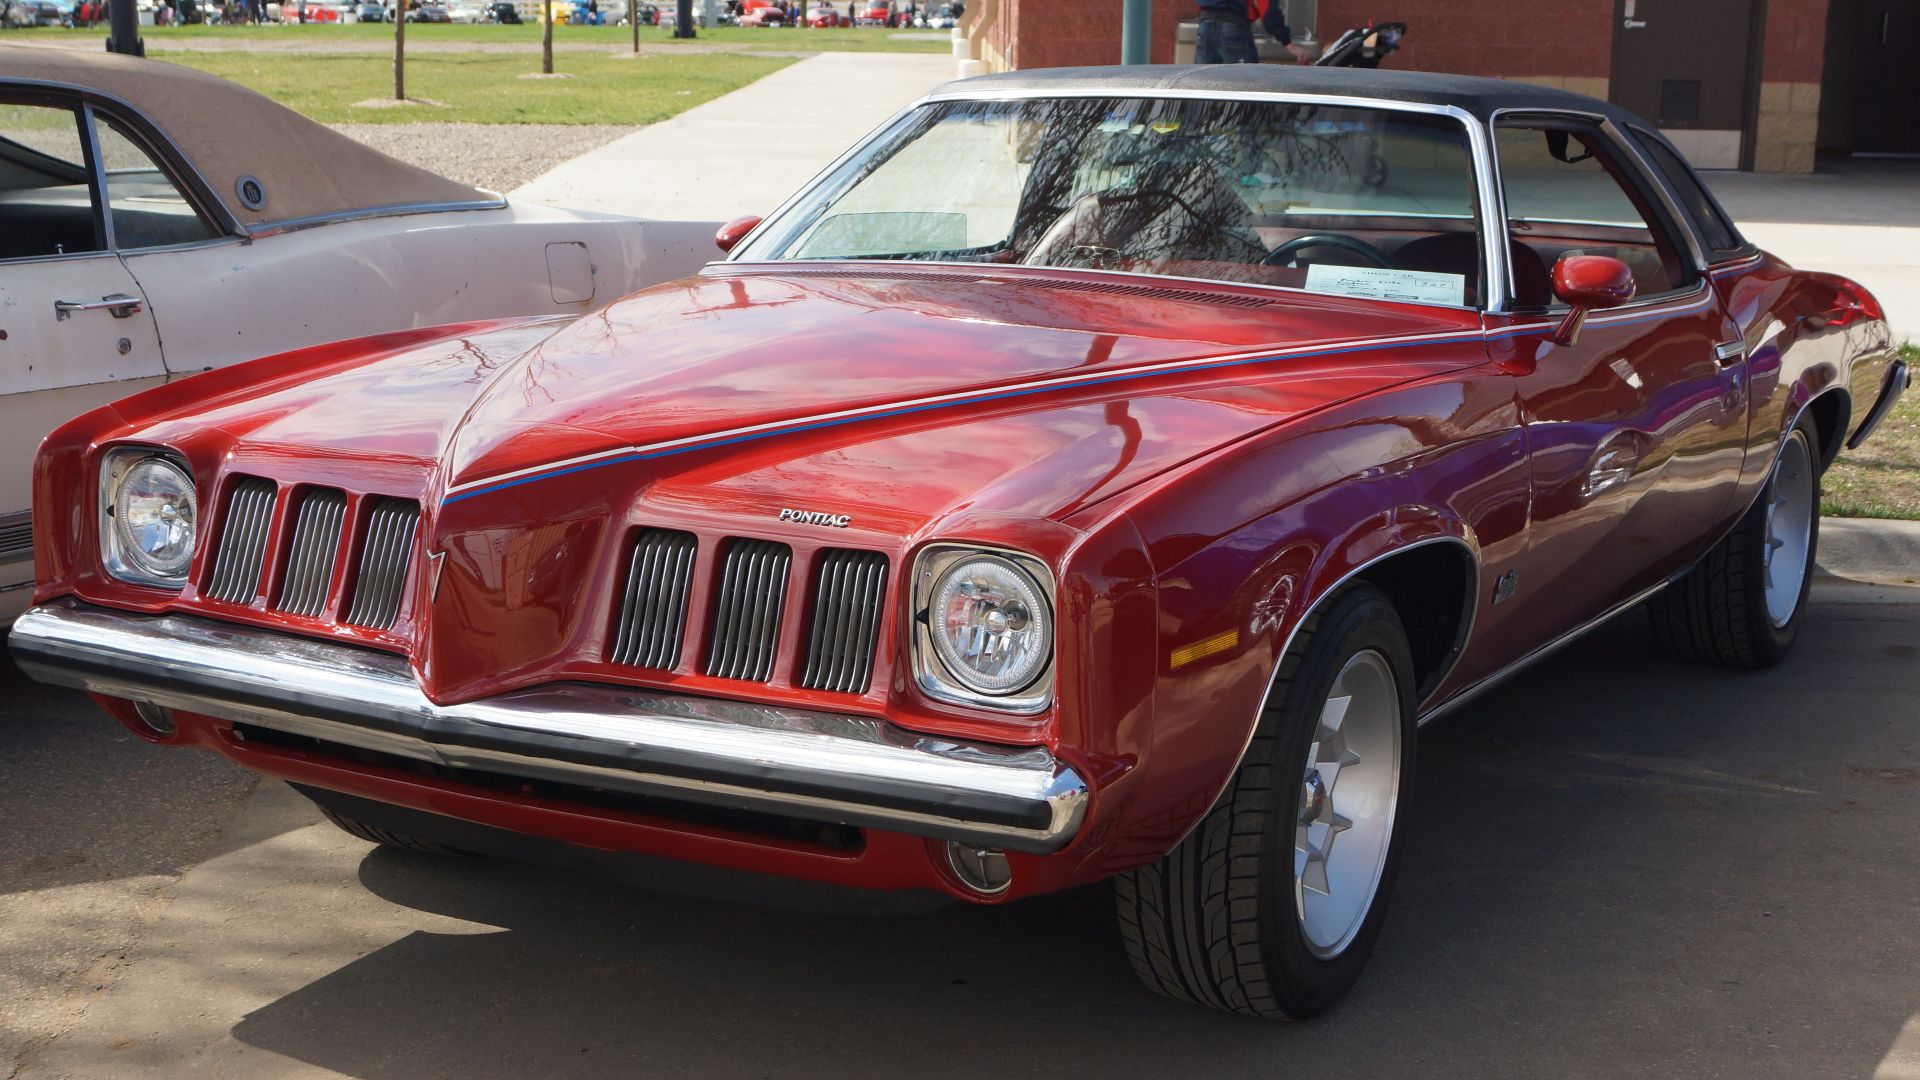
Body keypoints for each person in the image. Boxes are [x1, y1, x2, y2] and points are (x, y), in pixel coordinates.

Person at [1195, 0, 1312, 64]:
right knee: (1247, 85)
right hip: (1233, 27)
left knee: (1200, 85)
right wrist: (1288, 43)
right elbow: (1268, 13)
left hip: (1205, 24)